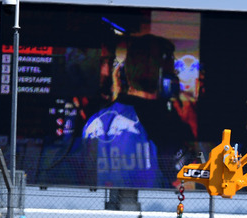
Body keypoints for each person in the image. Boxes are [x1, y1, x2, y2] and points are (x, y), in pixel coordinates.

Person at [81, 34, 195, 188]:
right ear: (161, 75)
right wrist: (192, 127)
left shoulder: (94, 121)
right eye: (171, 71)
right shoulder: (164, 125)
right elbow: (188, 183)